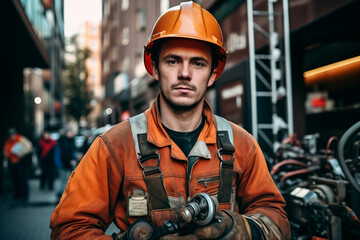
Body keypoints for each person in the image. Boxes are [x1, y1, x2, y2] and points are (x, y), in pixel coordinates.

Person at [50, 2, 290, 240]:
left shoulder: (242, 145)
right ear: (154, 68)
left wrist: (244, 229)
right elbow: (69, 230)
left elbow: (276, 218)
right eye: (173, 61)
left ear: (212, 75)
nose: (185, 73)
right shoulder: (114, 146)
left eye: (198, 63)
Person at [3, 128, 33, 202]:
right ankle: (17, 195)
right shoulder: (8, 141)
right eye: (10, 135)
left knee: (22, 179)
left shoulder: (20, 139)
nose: (12, 136)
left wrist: (20, 153)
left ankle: (24, 196)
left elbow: (29, 147)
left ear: (15, 134)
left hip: (21, 163)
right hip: (12, 163)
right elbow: (5, 151)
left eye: (13, 134)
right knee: (15, 179)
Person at [54, 127, 76, 200]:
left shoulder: (70, 140)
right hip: (62, 164)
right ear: (67, 133)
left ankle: (63, 194)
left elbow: (70, 152)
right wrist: (59, 164)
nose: (72, 133)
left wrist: (74, 157)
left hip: (67, 164)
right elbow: (63, 154)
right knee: (62, 179)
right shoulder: (62, 141)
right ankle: (59, 194)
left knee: (66, 179)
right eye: (70, 132)